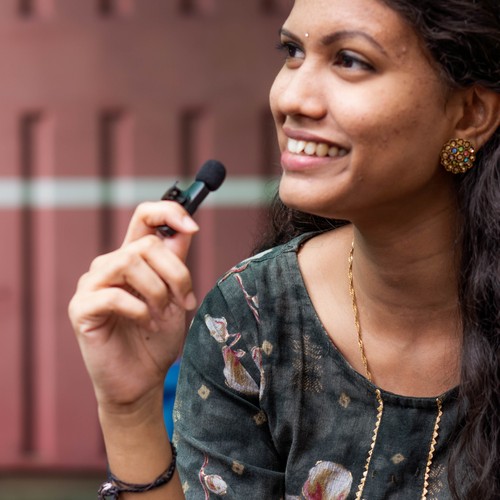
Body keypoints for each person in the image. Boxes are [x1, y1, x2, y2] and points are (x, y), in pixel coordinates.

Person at [68, 0, 500, 498]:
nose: (291, 98)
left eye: (350, 60)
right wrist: (130, 408)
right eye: (293, 51)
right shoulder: (250, 319)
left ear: (470, 113)